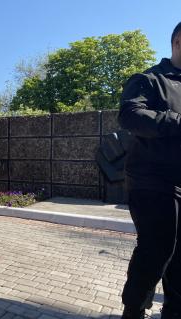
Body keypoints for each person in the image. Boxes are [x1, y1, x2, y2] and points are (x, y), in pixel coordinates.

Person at [118, 22, 181, 319]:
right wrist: (176, 121)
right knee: (157, 248)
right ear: (179, 41)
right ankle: (134, 311)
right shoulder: (149, 79)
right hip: (152, 182)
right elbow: (130, 115)